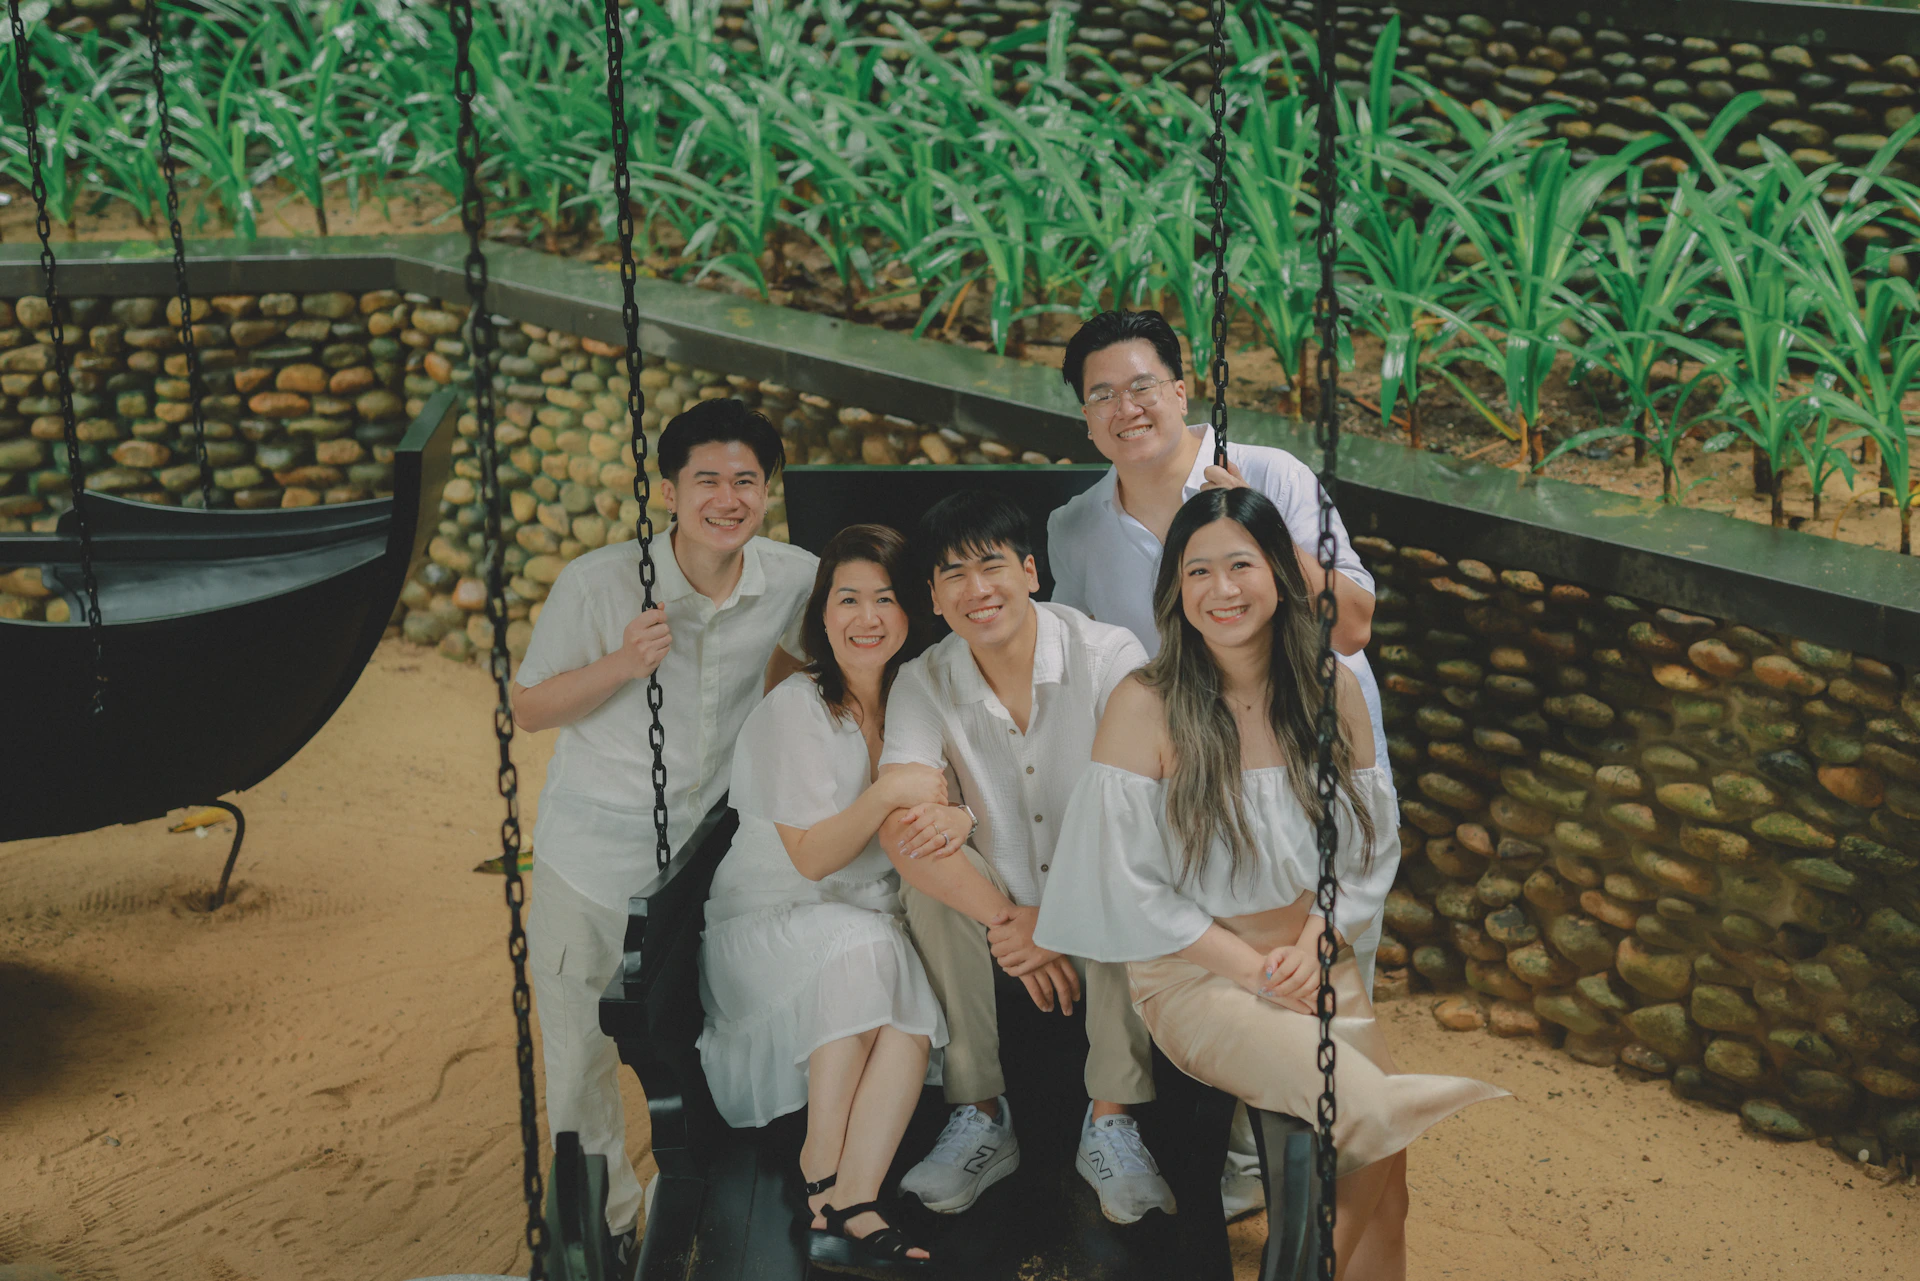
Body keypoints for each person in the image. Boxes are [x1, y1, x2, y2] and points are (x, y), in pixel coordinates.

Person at [1035, 488, 1504, 1280]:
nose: (1222, 589)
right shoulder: (1146, 704)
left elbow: (1362, 846)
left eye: (1241, 565)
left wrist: (1321, 939)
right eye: (1199, 571)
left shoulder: (1332, 689)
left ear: (1281, 574)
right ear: (1176, 591)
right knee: (1364, 1110)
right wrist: (1253, 968)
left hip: (1315, 958)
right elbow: (1129, 884)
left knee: (1387, 1190)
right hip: (1196, 973)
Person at [1046, 308, 1395, 1216]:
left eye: (1143, 384)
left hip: (1307, 761)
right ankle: (1160, 1126)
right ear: (1085, 417)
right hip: (1186, 782)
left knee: (1330, 1034)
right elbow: (1086, 670)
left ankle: (1271, 1154)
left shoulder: (1272, 473)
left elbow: (1351, 625)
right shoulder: (1076, 530)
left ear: (1182, 384)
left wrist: (1269, 538)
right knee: (1161, 912)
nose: (1127, 408)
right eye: (1102, 395)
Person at [512, 398, 817, 1259]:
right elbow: (531, 708)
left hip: (709, 861)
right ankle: (598, 1231)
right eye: (707, 480)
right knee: (578, 1056)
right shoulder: (600, 582)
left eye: (746, 481)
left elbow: (818, 661)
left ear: (768, 492)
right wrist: (621, 663)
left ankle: (703, 1202)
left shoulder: (795, 577)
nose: (728, 498)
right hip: (592, 854)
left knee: (699, 1037)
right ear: (670, 491)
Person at [874, 490, 1177, 1225]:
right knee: (923, 864)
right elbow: (897, 820)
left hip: (1099, 885)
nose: (977, 590)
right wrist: (1015, 919)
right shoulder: (922, 678)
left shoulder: (1109, 656)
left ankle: (1111, 1118)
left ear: (1031, 571)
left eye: (991, 565)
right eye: (954, 575)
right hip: (999, 912)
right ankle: (980, 1111)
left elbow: (1136, 812)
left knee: (1128, 861)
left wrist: (1059, 918)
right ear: (935, 599)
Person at [699, 524, 946, 1273]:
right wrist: (886, 794)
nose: (866, 617)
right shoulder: (797, 708)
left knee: (911, 1012)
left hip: (861, 920)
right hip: (766, 925)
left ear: (909, 612)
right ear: (822, 612)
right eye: (848, 599)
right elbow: (809, 859)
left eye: (885, 598)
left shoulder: (915, 698)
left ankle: (849, 1199)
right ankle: (822, 1173)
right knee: (868, 950)